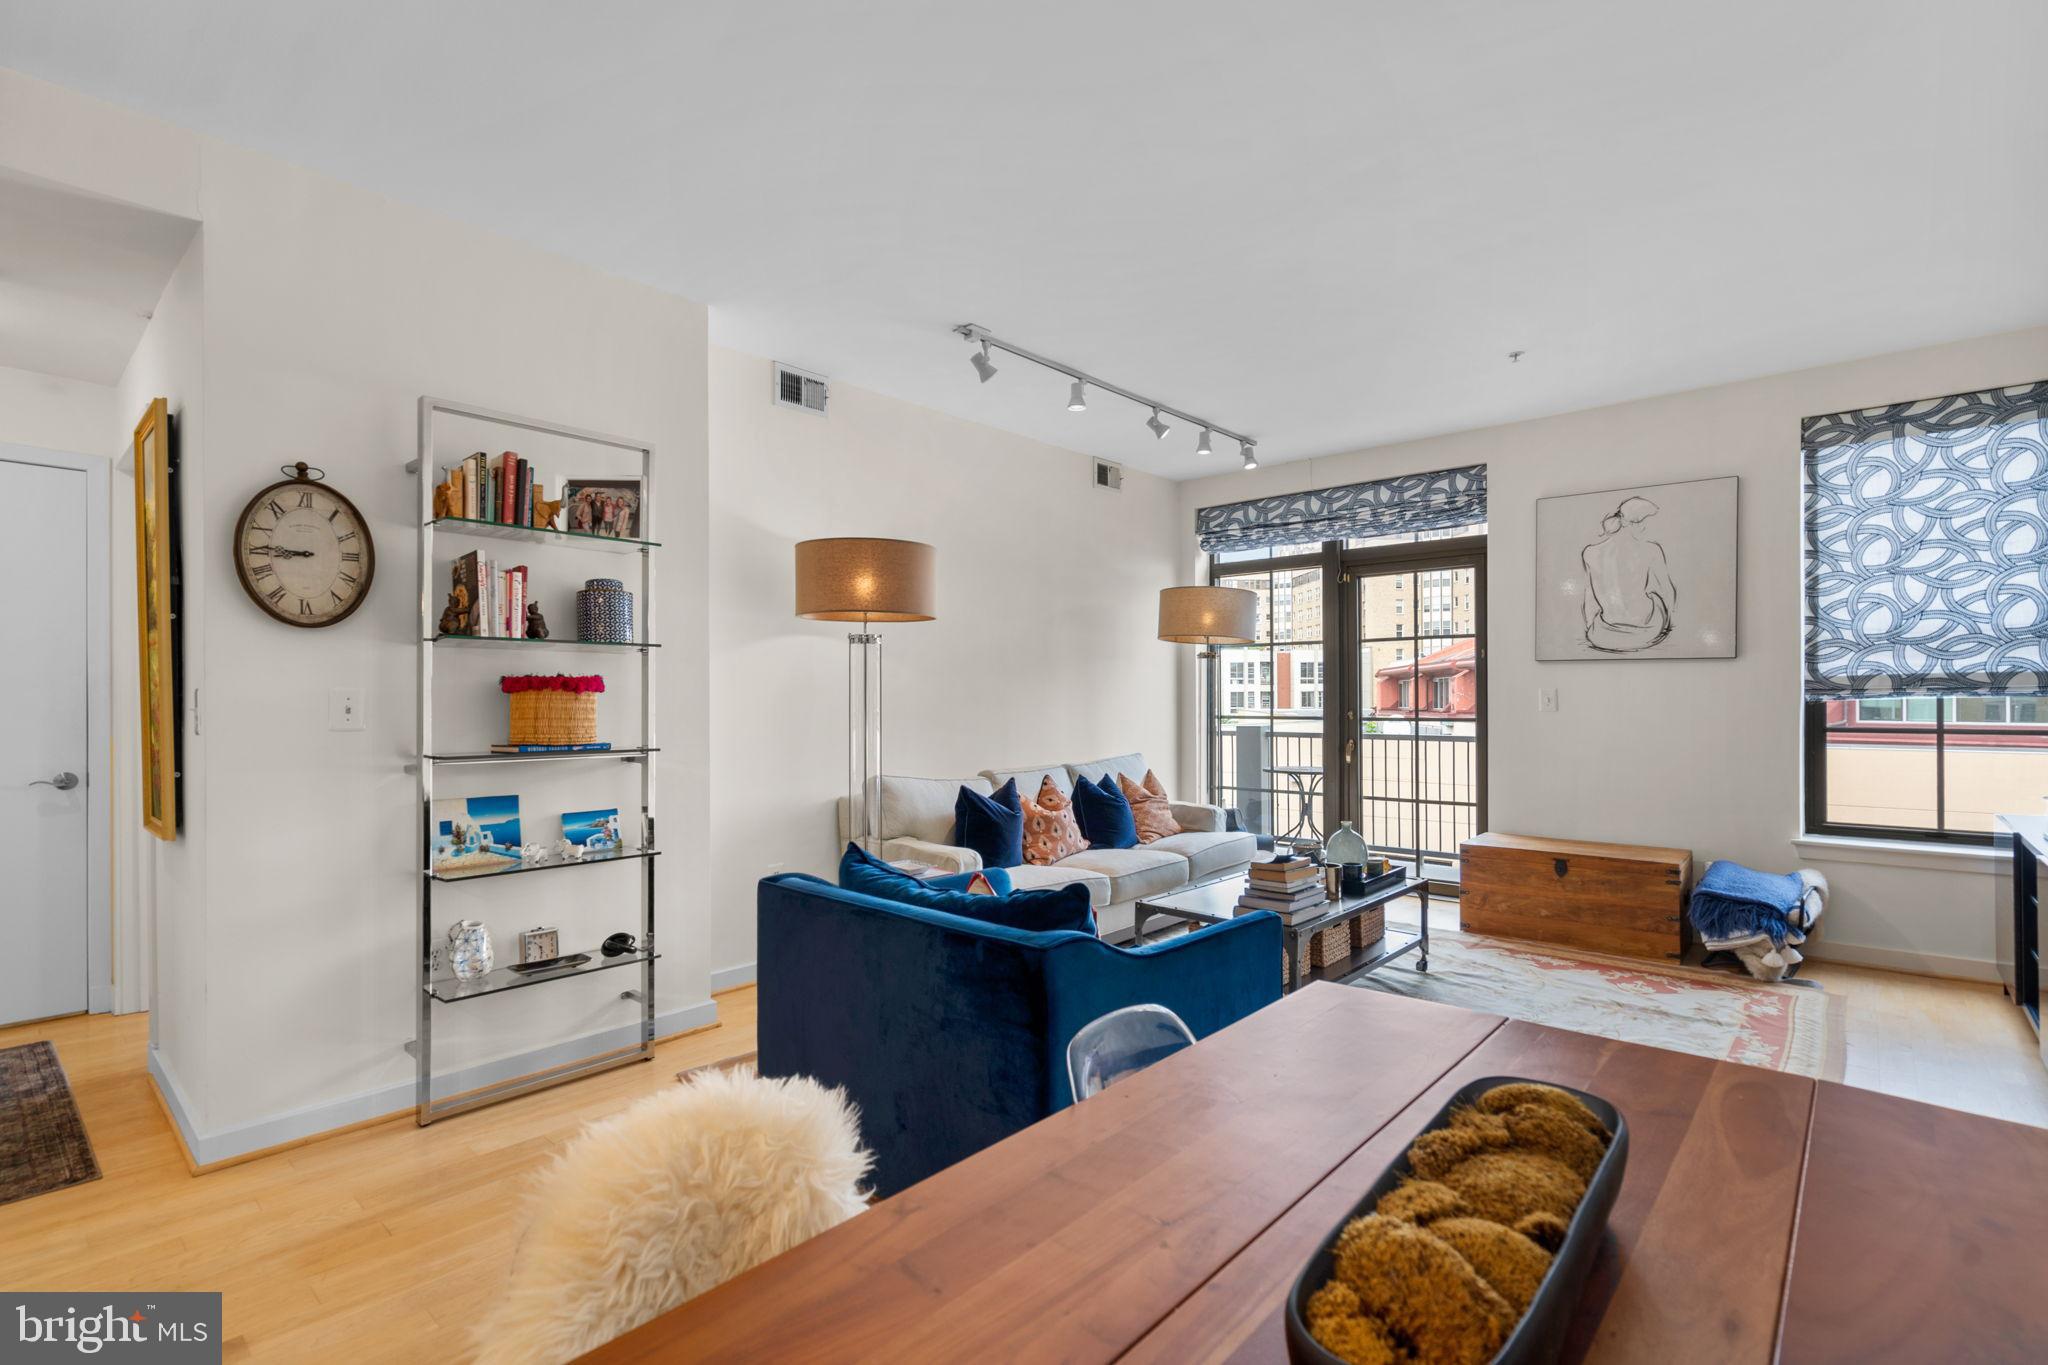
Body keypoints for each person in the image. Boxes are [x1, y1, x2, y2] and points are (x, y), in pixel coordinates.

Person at [1580, 495, 1675, 652]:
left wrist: (1592, 628)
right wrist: (1668, 621)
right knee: (1655, 596)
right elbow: (1668, 592)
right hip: (1645, 631)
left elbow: (1589, 598)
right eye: (1650, 522)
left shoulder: (1589, 552)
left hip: (1603, 633)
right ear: (1640, 524)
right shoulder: (1652, 550)